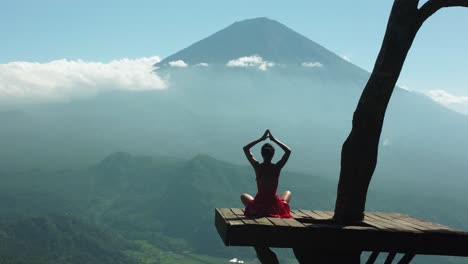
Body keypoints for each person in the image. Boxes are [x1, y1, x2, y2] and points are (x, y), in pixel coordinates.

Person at [241, 129, 292, 218]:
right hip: (274, 206)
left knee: (243, 196)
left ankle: (256, 208)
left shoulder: (258, 167)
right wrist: (274, 139)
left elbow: (246, 149)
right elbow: (288, 151)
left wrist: (261, 139)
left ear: (261, 154)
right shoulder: (277, 167)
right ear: (273, 154)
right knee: (288, 193)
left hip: (259, 205)